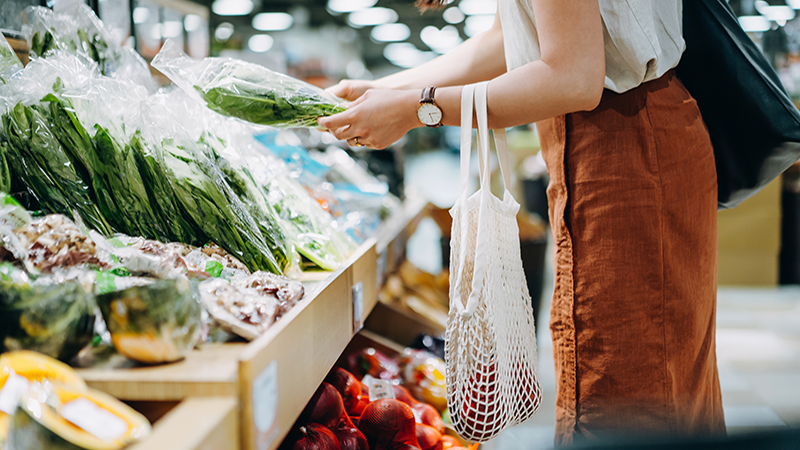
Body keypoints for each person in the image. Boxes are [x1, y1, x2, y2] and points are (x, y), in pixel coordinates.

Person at [318, 0, 725, 446]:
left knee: (631, 393)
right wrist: (383, 91)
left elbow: (571, 75)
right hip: (618, 138)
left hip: (625, 147)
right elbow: (502, 39)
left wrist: (417, 109)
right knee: (655, 379)